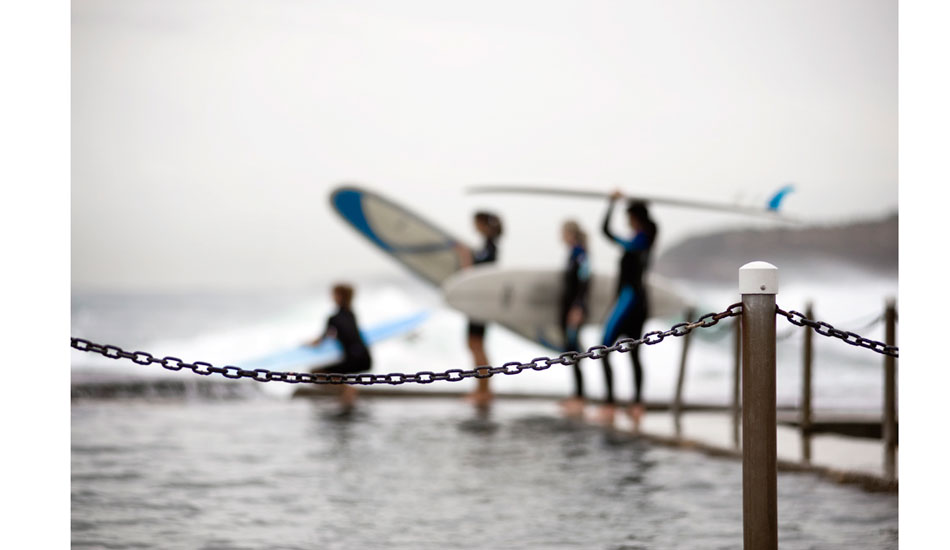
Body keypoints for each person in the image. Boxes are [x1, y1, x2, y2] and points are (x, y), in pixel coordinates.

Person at [598, 191, 657, 429]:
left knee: (605, 346)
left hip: (632, 301)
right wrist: (612, 203)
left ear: (638, 218)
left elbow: (607, 232)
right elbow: (606, 232)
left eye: (629, 217)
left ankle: (626, 403)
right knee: (615, 350)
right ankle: (618, 403)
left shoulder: (644, 240)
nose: (627, 222)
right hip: (631, 301)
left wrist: (623, 202)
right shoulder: (637, 240)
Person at [455, 211, 503, 409]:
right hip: (478, 304)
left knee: (477, 345)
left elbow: (474, 274)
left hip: (481, 305)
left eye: (476, 223)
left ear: (484, 225)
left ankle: (484, 391)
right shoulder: (486, 246)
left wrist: (465, 257)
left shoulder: (490, 247)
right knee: (474, 344)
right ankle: (481, 388)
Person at [308, 283, 372, 413]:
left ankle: (346, 391)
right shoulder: (352, 314)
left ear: (340, 296)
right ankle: (347, 400)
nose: (332, 297)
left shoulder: (333, 318)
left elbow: (320, 341)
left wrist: (305, 345)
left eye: (334, 294)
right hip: (365, 358)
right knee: (338, 376)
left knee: (315, 373)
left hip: (351, 360)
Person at [559, 220, 591, 418]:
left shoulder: (581, 254)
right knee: (570, 350)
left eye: (562, 232)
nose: (560, 236)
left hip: (575, 310)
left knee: (574, 350)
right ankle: (576, 394)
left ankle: (580, 396)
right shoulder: (572, 253)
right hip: (568, 308)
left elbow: (584, 282)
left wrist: (578, 307)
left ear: (570, 233)